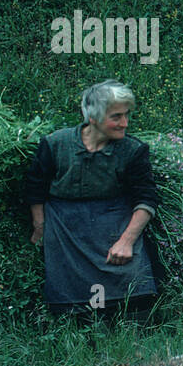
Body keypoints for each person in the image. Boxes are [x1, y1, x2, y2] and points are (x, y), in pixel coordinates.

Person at [22, 80, 163, 324]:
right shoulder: (55, 144)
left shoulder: (133, 150)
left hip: (113, 219)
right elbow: (35, 188)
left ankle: (134, 334)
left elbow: (147, 198)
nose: (125, 123)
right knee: (69, 301)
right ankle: (79, 337)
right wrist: (40, 227)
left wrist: (126, 241)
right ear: (94, 118)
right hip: (66, 225)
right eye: (116, 117)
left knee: (135, 290)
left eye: (126, 115)